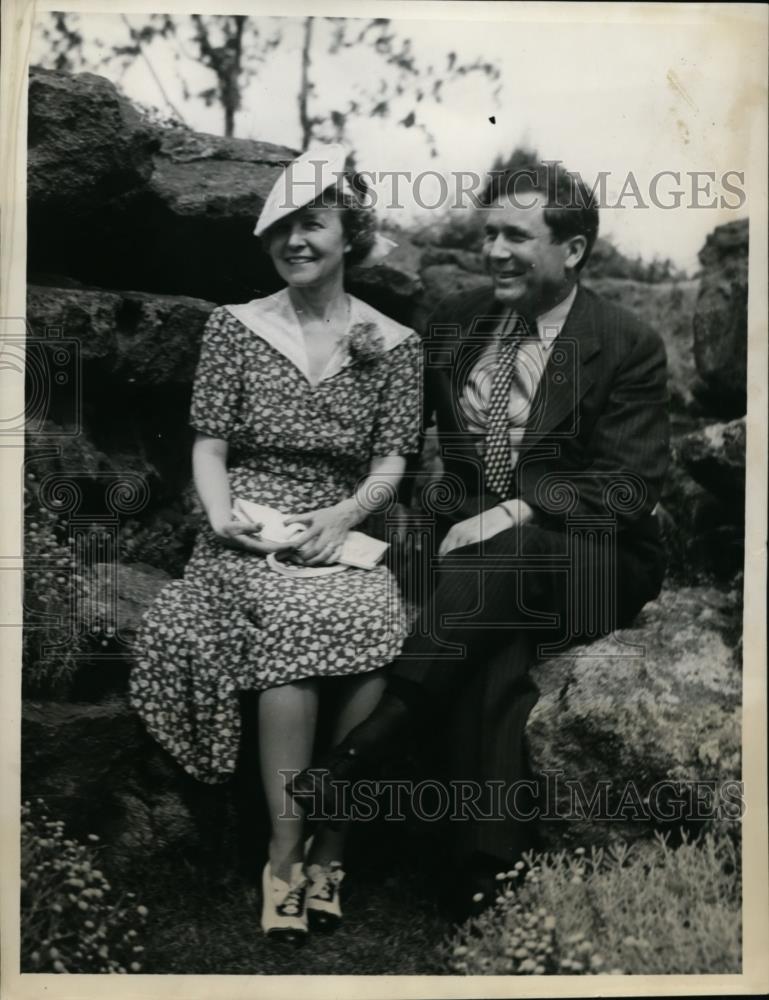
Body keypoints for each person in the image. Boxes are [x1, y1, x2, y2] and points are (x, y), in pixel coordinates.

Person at [289, 159, 670, 920]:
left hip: (586, 553)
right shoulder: (457, 320)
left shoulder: (624, 343)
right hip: (478, 565)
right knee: (495, 648)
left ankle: (370, 744)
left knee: (508, 556)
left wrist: (516, 510)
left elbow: (627, 486)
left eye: (516, 236)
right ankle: (481, 874)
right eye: (488, 232)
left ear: (572, 250)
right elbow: (399, 430)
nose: (494, 250)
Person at [129, 145, 421, 943]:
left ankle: (334, 846)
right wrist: (222, 514)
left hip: (339, 526)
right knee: (289, 616)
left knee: (374, 615)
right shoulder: (235, 329)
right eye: (281, 229)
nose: (295, 241)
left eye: (313, 224)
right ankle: (284, 856)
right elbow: (210, 448)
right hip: (248, 530)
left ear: (349, 236)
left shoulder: (392, 344)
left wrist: (341, 518)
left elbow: (391, 460)